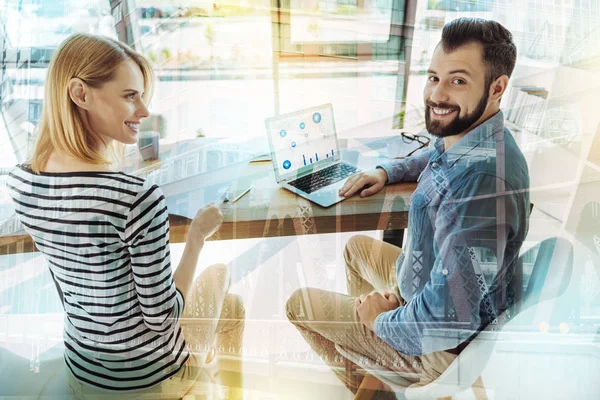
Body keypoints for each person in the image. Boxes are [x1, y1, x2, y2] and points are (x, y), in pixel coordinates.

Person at [286, 17, 530, 396]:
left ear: (497, 87)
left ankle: (371, 383)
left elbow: (450, 318)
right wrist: (388, 170)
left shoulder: (481, 185)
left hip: (439, 347)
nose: (437, 94)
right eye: (434, 77)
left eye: (458, 80)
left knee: (298, 303)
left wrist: (381, 322)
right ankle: (373, 364)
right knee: (355, 251)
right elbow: (434, 152)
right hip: (425, 289)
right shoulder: (475, 134)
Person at [7, 33, 244, 399]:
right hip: (146, 382)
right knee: (222, 277)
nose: (145, 111)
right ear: (80, 94)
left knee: (227, 308)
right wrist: (197, 235)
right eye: (130, 96)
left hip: (83, 371)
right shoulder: (135, 197)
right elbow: (163, 318)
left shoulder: (20, 180)